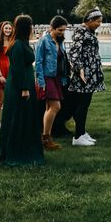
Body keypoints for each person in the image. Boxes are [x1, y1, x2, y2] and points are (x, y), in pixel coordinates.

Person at [0, 14, 44, 166]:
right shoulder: (17, 44)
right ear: (26, 27)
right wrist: (24, 89)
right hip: (19, 87)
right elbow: (17, 69)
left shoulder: (22, 43)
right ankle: (15, 151)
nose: (32, 28)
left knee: (25, 118)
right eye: (31, 25)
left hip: (26, 83)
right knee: (18, 118)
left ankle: (25, 148)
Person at [68, 8, 105, 146]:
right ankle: (78, 137)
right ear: (89, 20)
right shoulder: (81, 32)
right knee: (82, 105)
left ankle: (82, 133)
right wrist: (80, 70)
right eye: (97, 21)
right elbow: (73, 52)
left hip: (91, 74)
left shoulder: (88, 32)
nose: (99, 24)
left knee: (85, 105)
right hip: (85, 76)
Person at [35, 16, 70, 151]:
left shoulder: (59, 41)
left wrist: (63, 78)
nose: (62, 32)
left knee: (49, 108)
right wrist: (41, 81)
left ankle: (45, 138)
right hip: (47, 77)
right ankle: (46, 137)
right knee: (55, 107)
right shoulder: (43, 41)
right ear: (52, 28)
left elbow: (62, 61)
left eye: (64, 30)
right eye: (60, 30)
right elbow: (38, 62)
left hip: (56, 78)